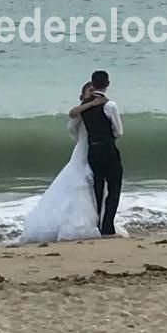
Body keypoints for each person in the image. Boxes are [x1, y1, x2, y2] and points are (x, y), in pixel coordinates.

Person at [22, 82, 106, 243]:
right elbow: (72, 121)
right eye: (89, 91)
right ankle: (79, 224)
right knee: (80, 182)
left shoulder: (102, 109)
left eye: (94, 90)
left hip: (97, 150)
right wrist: (92, 104)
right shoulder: (83, 111)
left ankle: (100, 221)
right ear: (83, 95)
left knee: (97, 184)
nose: (93, 93)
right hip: (83, 150)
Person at [80, 70, 124, 236]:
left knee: (98, 188)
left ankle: (97, 223)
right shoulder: (110, 105)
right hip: (108, 149)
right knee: (114, 187)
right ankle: (108, 226)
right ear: (107, 84)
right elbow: (119, 131)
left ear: (93, 83)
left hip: (93, 149)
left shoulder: (84, 106)